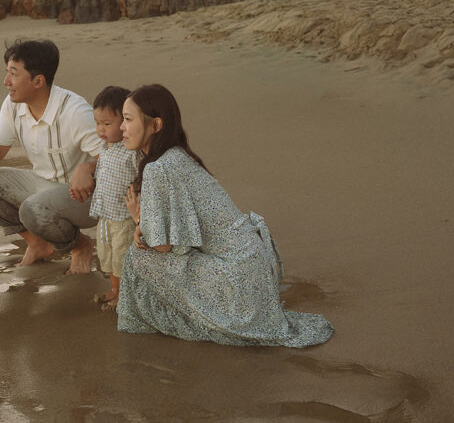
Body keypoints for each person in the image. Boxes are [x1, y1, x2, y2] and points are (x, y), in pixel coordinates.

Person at [117, 84, 334, 347]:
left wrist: (139, 224)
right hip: (255, 268)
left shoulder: (158, 168)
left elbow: (163, 246)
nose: (121, 127)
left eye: (128, 119)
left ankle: (184, 320)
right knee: (153, 252)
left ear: (156, 125)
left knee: (138, 255)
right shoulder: (179, 156)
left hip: (237, 280)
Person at [0, 39, 103, 274]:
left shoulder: (75, 112)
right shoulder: (13, 105)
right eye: (7, 72)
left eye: (13, 74)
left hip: (85, 197)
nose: (6, 81)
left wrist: (87, 168)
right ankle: (38, 244)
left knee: (32, 208)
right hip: (42, 186)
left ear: (38, 81)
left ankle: (80, 246)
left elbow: (115, 156)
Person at [88, 85, 138, 309]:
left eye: (107, 124)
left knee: (122, 258)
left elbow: (143, 178)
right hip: (105, 216)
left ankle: (125, 296)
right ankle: (115, 290)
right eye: (97, 123)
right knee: (107, 256)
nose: (101, 129)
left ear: (125, 121)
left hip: (123, 217)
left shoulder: (131, 151)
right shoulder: (105, 146)